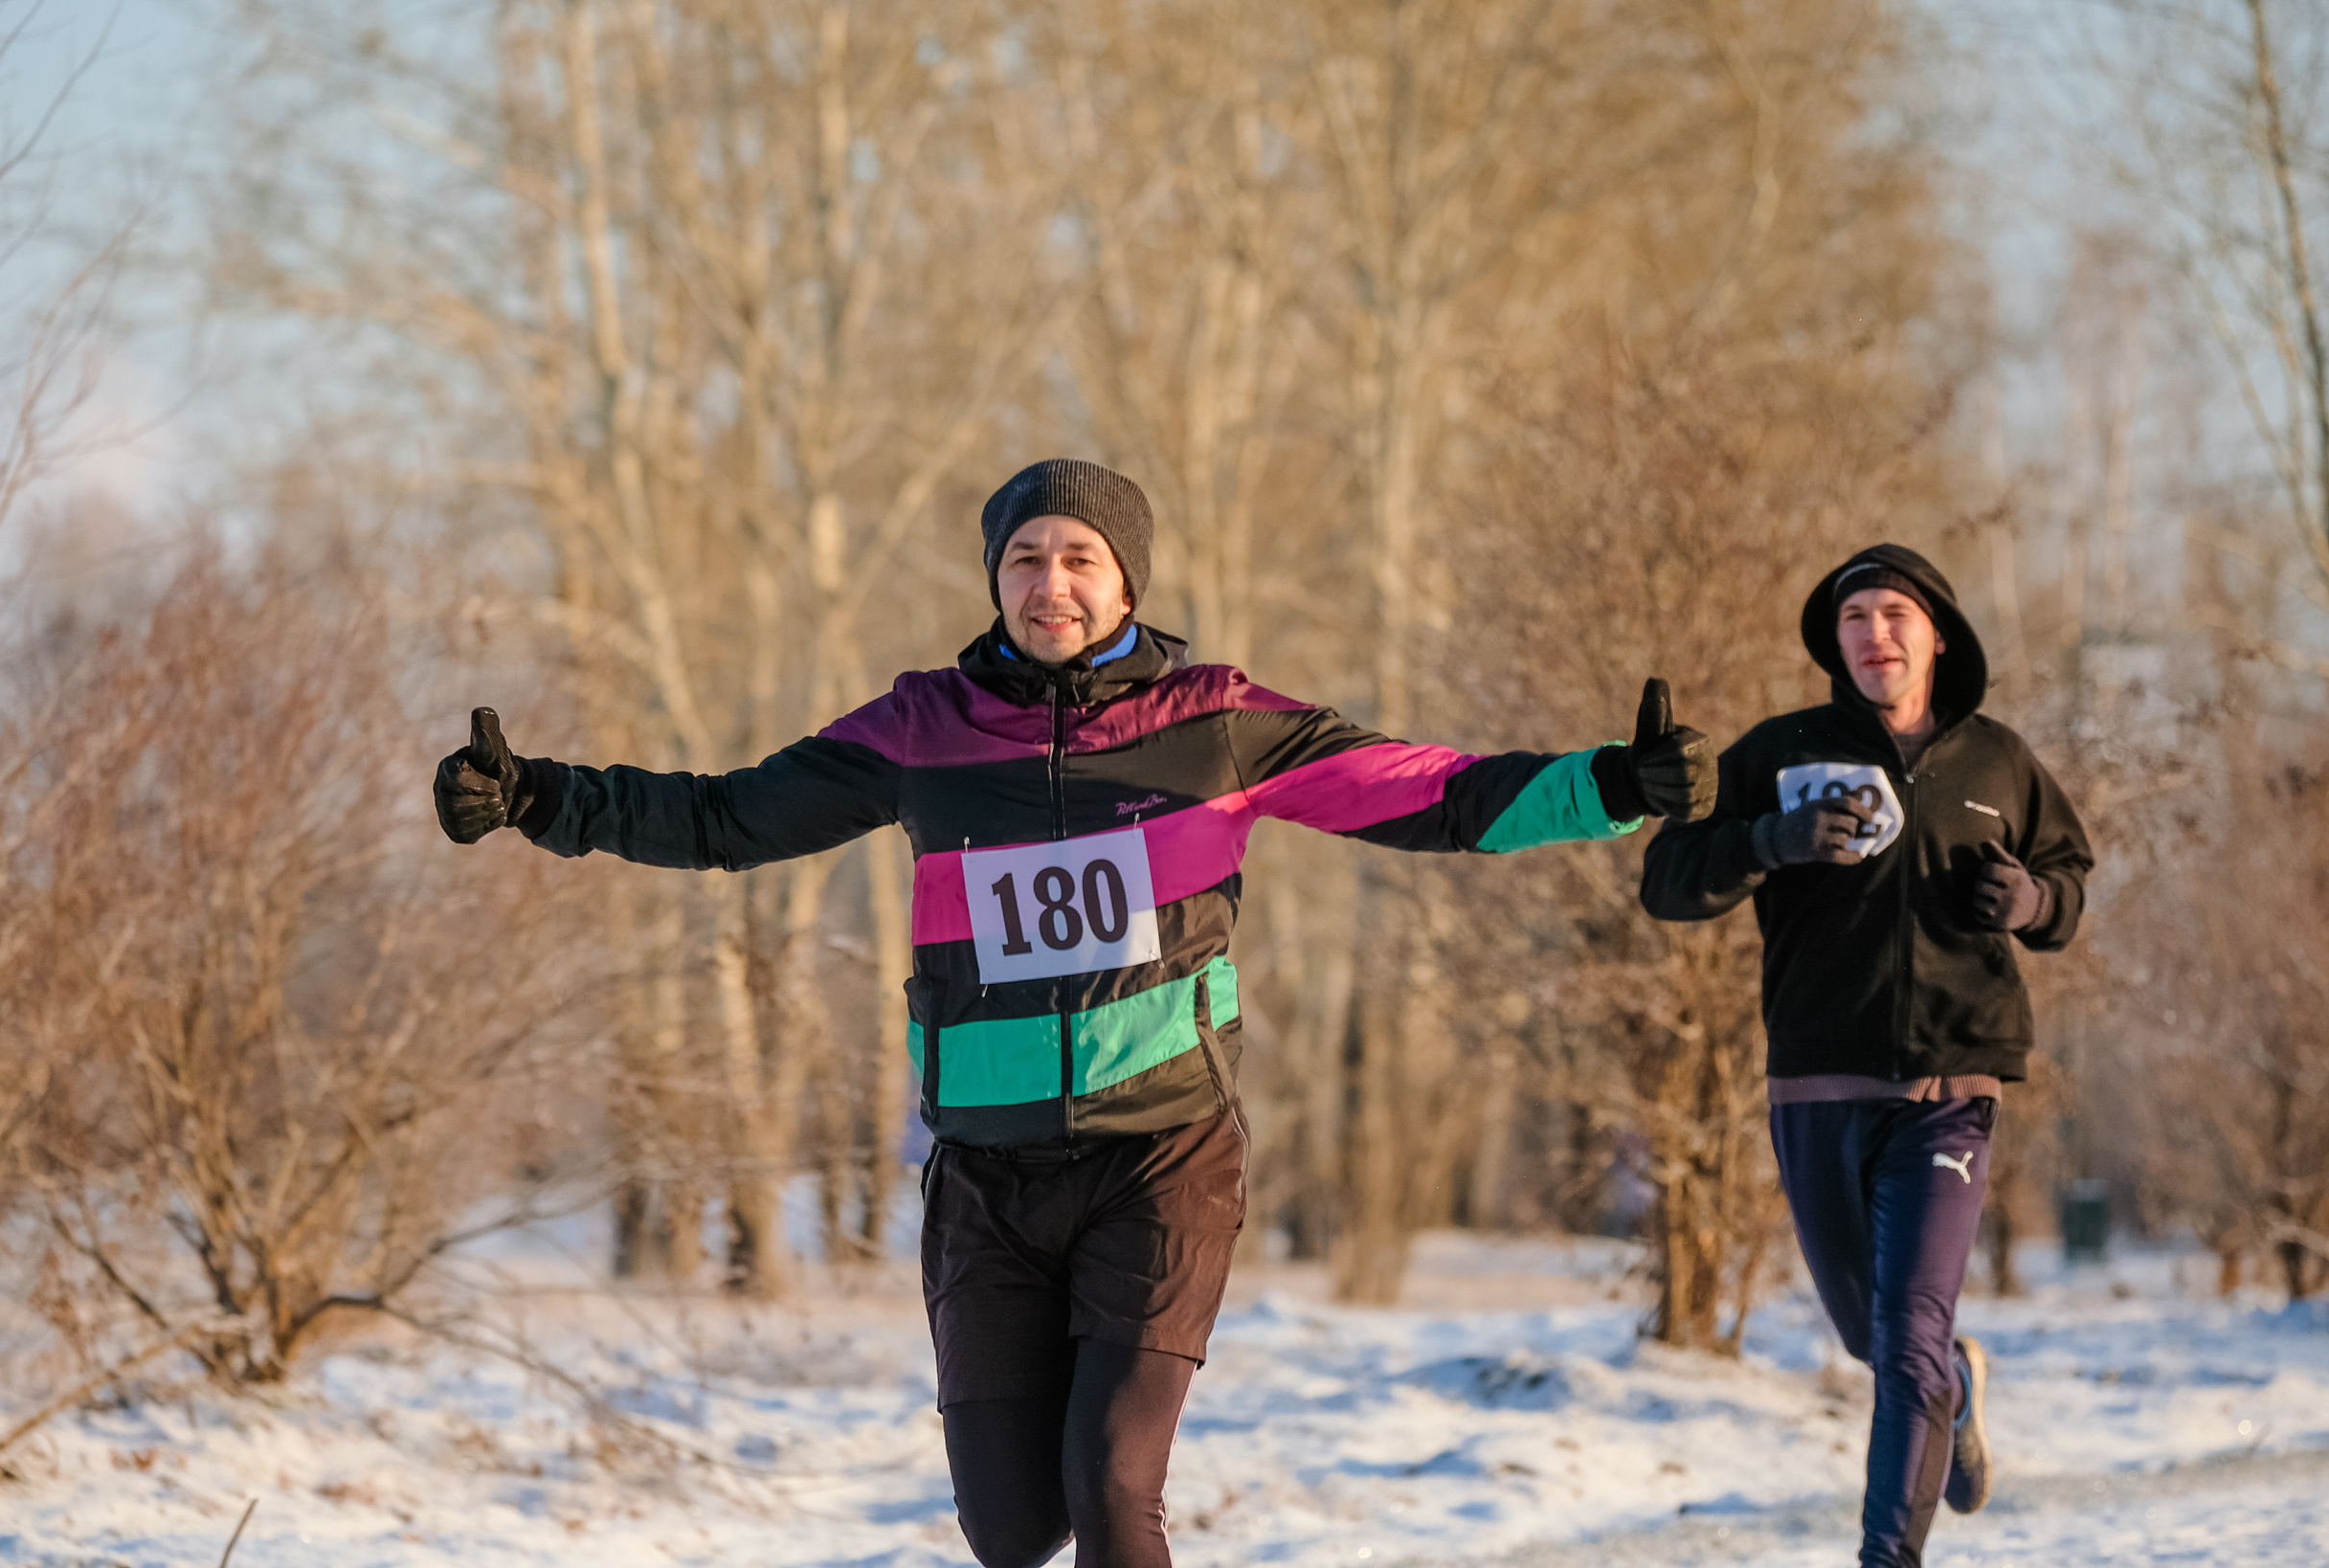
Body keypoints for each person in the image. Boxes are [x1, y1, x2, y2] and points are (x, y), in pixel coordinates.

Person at [435, 459, 1720, 1568]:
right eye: (1025, 558)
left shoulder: (1214, 723)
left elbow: (1430, 792)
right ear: (996, 578)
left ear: (1127, 582)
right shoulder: (923, 729)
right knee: (1008, 1530)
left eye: (1079, 558)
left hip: (1160, 1153)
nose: (1050, 582)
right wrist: (541, 798)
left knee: (1112, 1487)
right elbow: (727, 816)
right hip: (987, 1172)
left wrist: (1612, 785)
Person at [1639, 544, 2094, 1568]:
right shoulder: (1779, 752)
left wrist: (2031, 900)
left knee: (1906, 1339)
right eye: (1855, 618)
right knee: (1876, 1340)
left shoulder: (1997, 762)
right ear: (1834, 641)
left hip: (1951, 1084)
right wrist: (1771, 841)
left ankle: (1888, 1555)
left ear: (1938, 636)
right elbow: (1667, 880)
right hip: (1816, 1081)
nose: (1874, 634)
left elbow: (2068, 882)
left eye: (1896, 615)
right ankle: (1954, 1387)